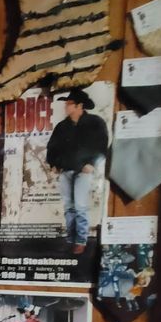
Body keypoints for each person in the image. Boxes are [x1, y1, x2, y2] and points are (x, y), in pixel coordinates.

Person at [46, 88, 109, 255]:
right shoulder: (62, 126)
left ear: (79, 106)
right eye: (66, 104)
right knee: (68, 206)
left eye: (69, 104)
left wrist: (92, 163)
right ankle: (70, 239)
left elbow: (102, 145)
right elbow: (52, 147)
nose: (66, 107)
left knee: (80, 206)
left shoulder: (96, 123)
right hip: (65, 170)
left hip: (84, 171)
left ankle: (80, 240)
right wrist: (53, 163)